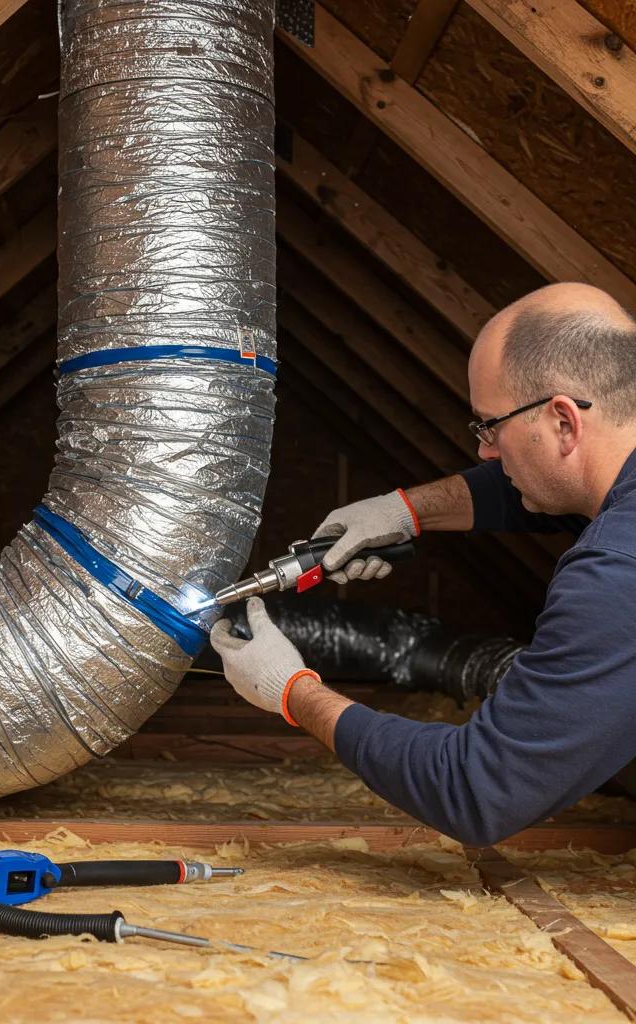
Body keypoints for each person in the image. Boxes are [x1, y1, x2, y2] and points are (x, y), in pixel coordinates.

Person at [211, 282, 636, 845]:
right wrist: (405, 511)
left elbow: (475, 789)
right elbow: (550, 483)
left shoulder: (617, 571)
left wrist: (291, 691)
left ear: (564, 421)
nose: (485, 450)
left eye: (492, 426)